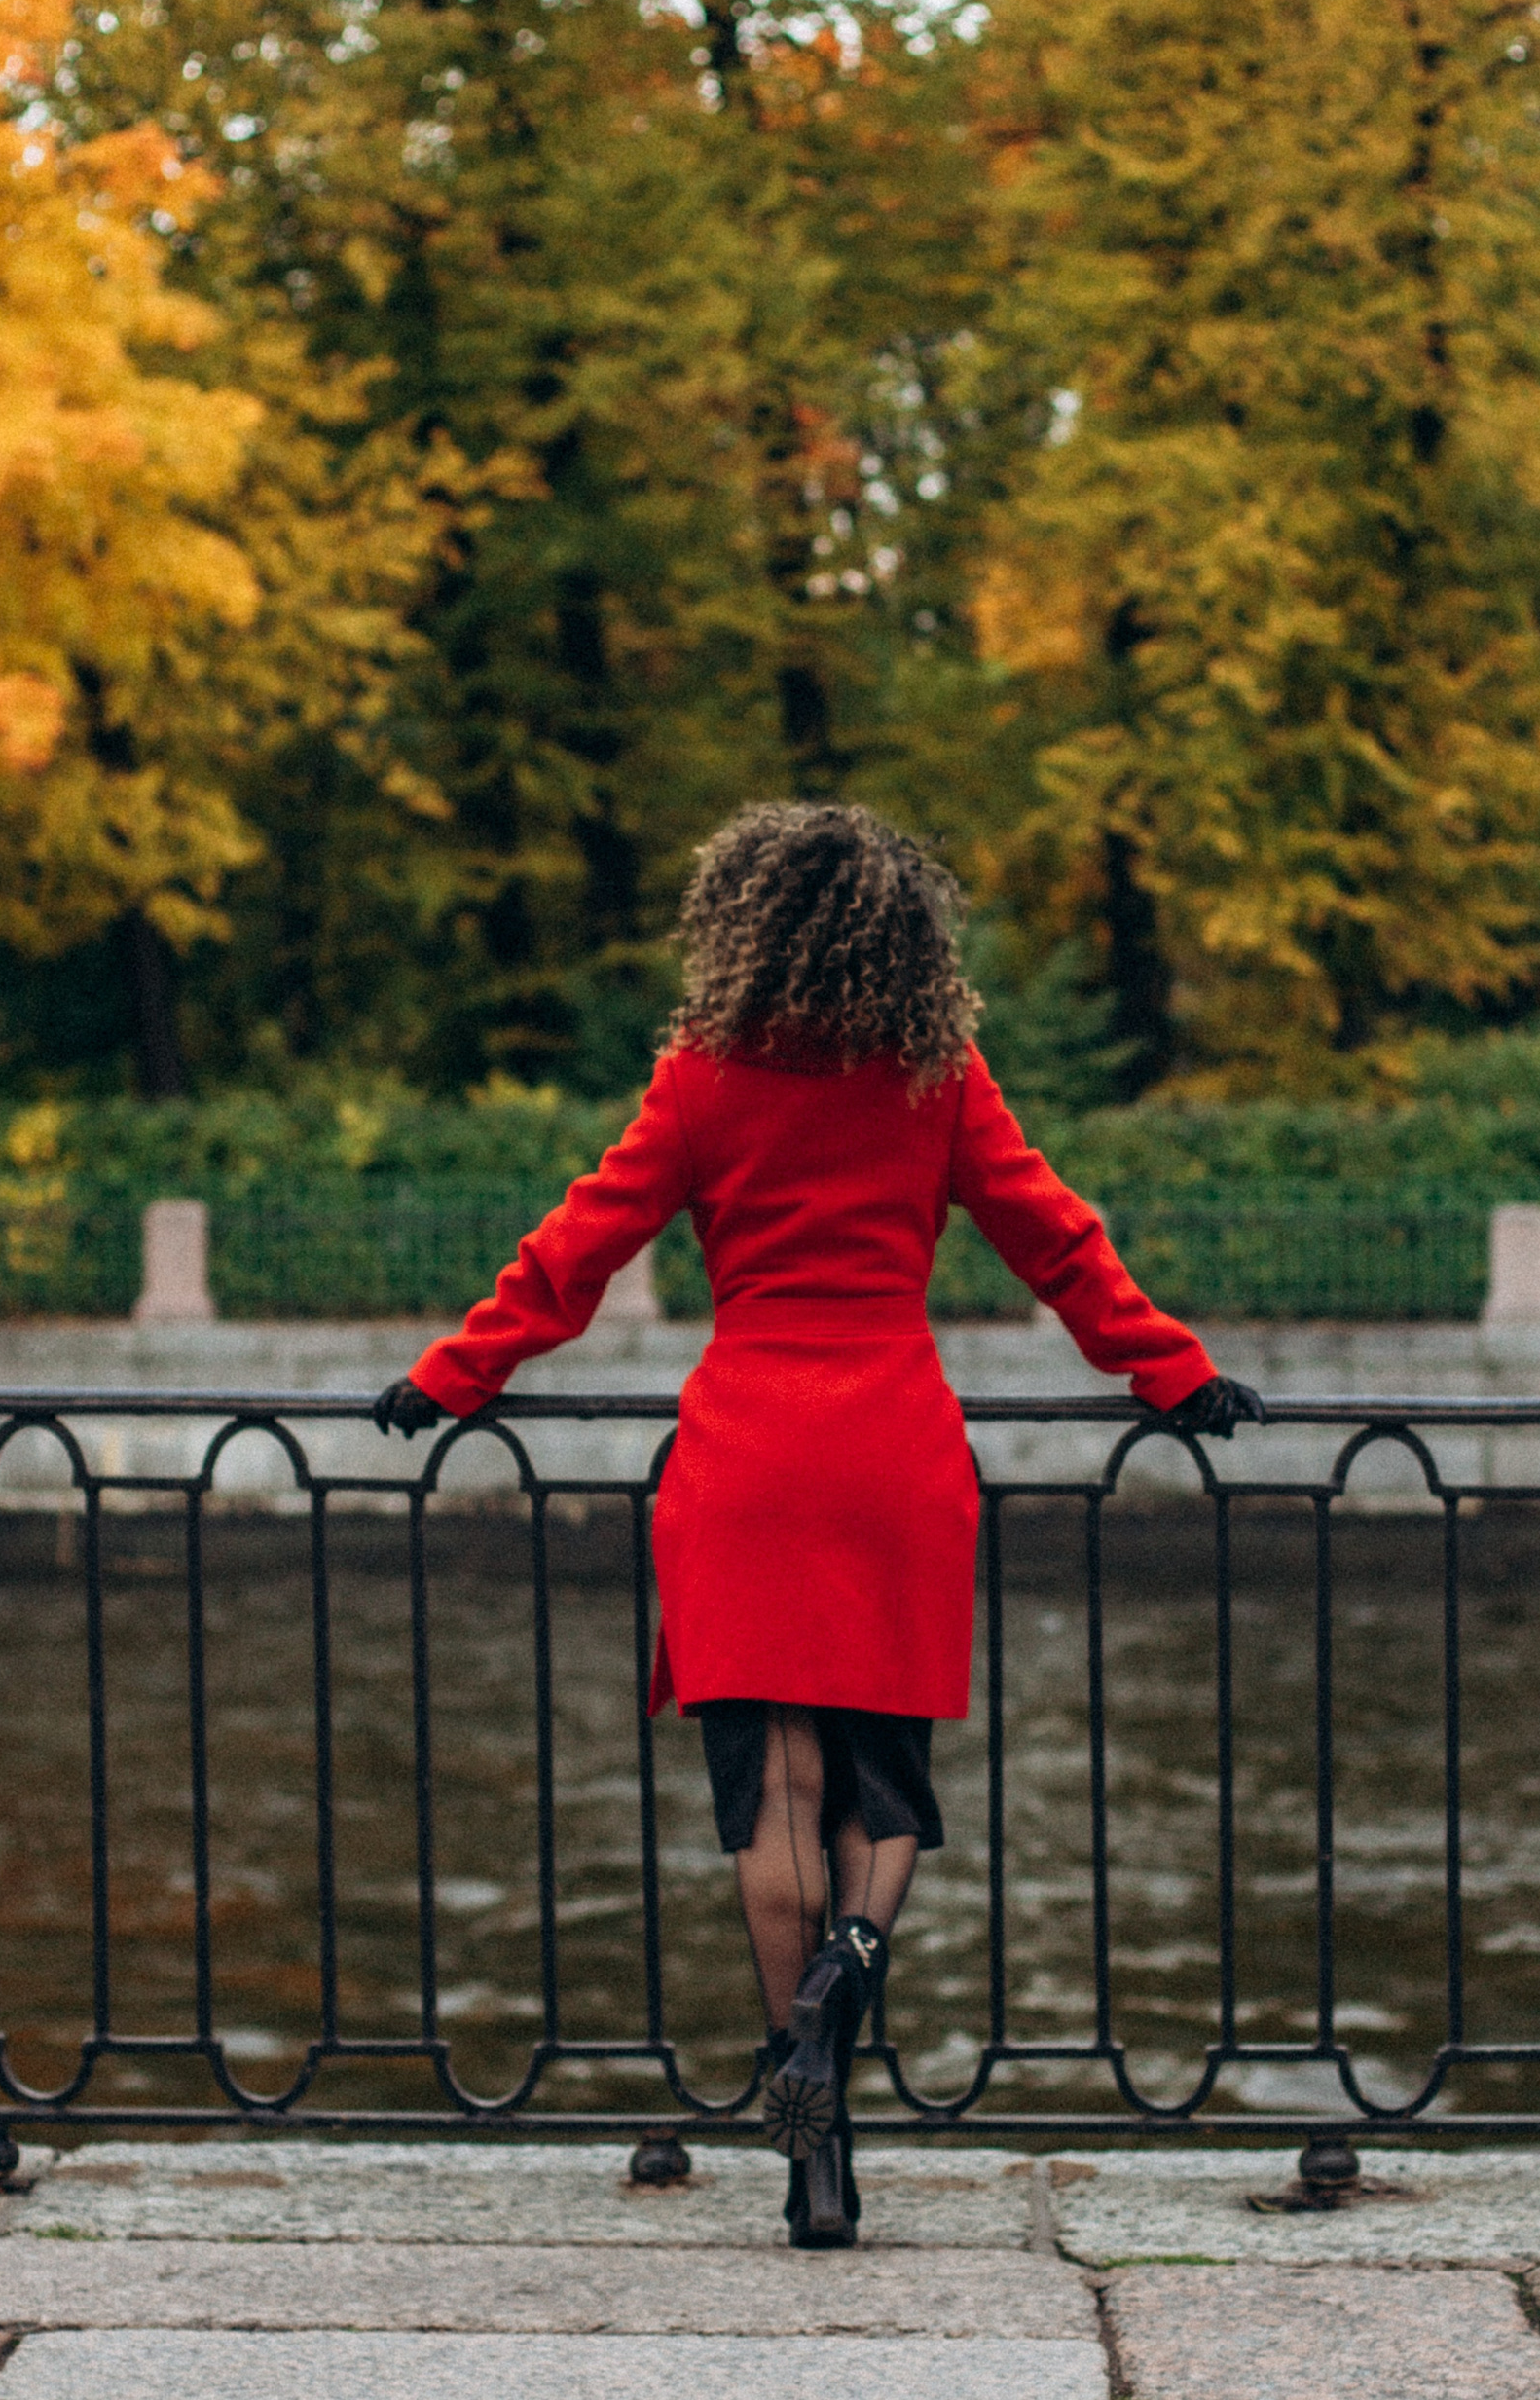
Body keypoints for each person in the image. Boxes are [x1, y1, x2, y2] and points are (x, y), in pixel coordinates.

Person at [372, 801, 1263, 2247]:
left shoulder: (701, 1082)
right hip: (891, 1461)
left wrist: (447, 1375)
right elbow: (1057, 1239)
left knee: (773, 1799)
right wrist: (1177, 1369)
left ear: (743, 928)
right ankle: (846, 1980)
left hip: (743, 1466)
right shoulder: (938, 1077)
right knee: (880, 1795)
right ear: (908, 940)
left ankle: (815, 2149)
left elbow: (576, 1248)